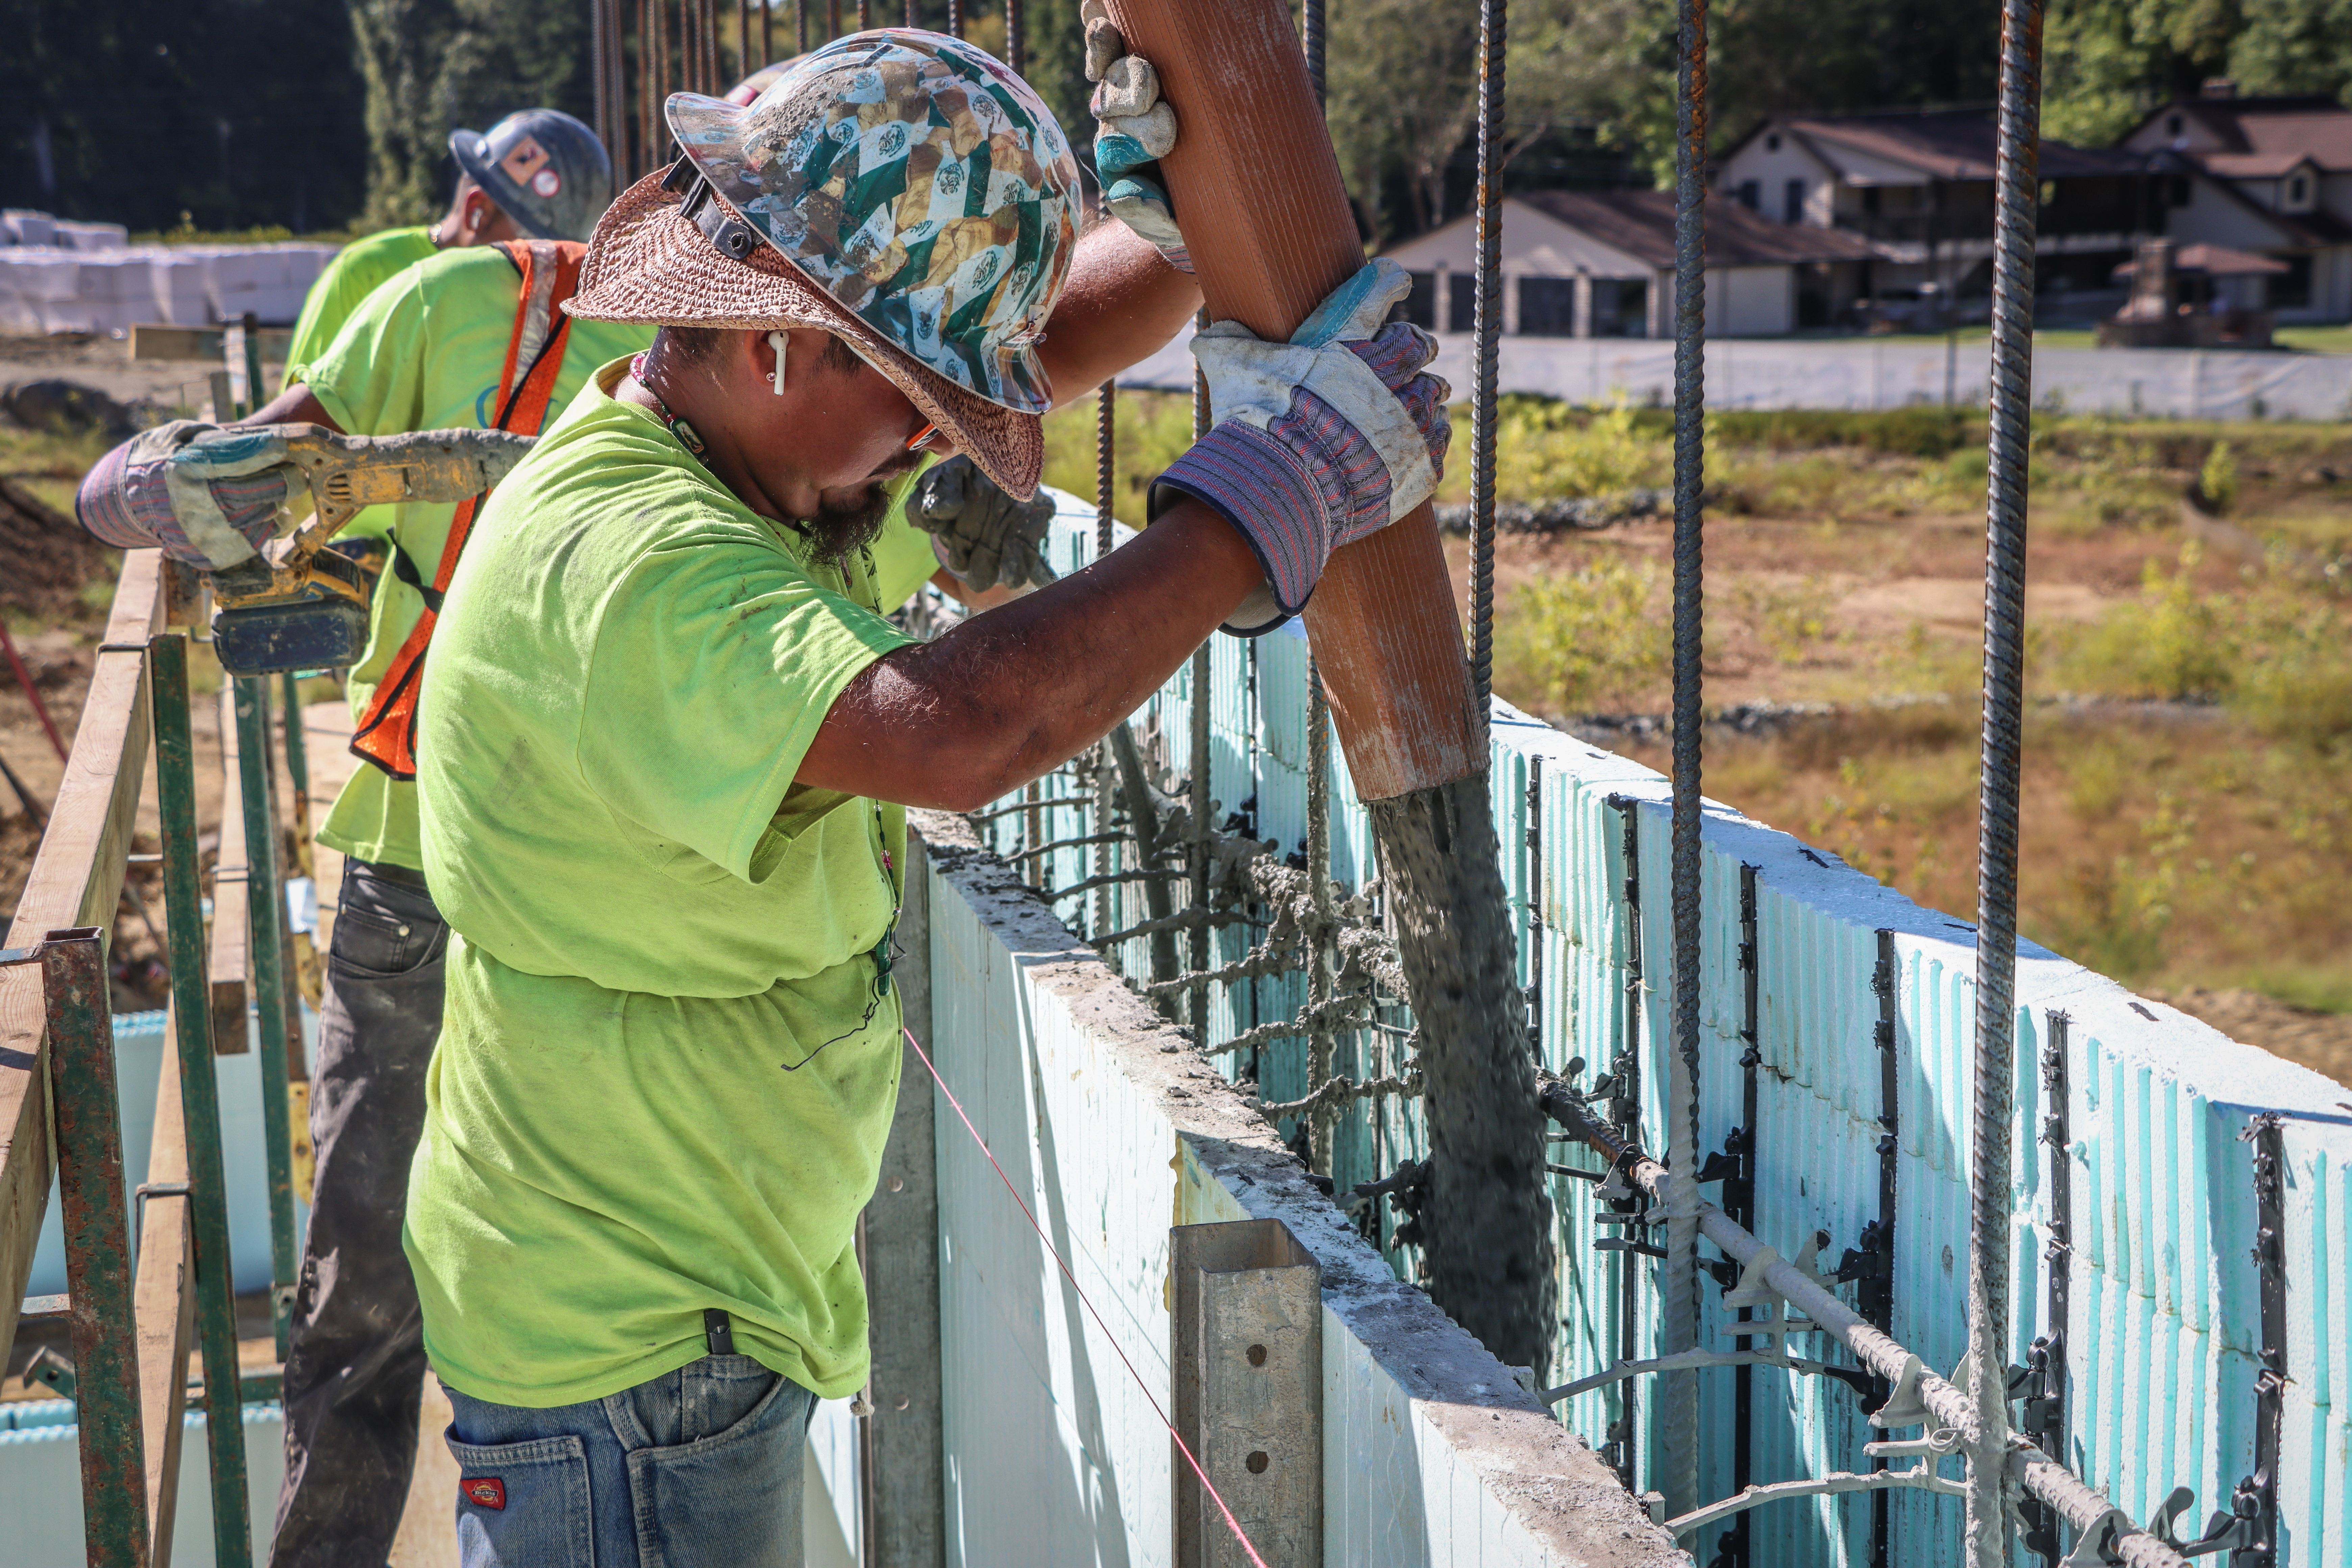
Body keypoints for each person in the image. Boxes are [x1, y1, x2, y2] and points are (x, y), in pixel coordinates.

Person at [402, 28, 1443, 1565]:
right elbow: (958, 728)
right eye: (915, 404)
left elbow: (1038, 359)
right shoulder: (639, 565)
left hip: (656, 1311)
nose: (928, 453)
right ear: (775, 344)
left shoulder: (757, 469)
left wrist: (1173, 233)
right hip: (626, 1367)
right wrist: (1256, 506)